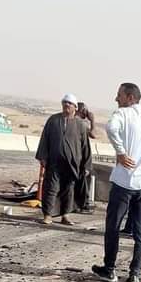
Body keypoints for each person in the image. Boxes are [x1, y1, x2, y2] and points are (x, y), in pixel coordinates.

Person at [91, 82, 141, 282]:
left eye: (119, 95)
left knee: (113, 226)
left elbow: (110, 128)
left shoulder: (122, 114)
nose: (116, 99)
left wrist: (121, 152)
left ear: (130, 97)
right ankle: (135, 276)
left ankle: (109, 269)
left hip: (125, 182)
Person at [35, 93, 92, 226]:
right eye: (64, 102)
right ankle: (47, 215)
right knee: (51, 188)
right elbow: (45, 138)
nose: (66, 104)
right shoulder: (53, 120)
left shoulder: (81, 125)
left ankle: (65, 215)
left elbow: (85, 147)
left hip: (72, 164)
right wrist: (43, 157)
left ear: (75, 107)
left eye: (69, 103)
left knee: (68, 190)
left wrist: (86, 166)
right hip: (54, 162)